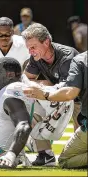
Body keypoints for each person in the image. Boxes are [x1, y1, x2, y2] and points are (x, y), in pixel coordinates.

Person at [21, 23, 79, 166]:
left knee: (75, 156)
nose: (30, 51)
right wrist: (39, 87)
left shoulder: (67, 56)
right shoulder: (36, 58)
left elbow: (69, 92)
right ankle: (45, 154)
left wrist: (43, 89)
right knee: (26, 99)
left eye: (33, 47)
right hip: (60, 95)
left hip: (80, 98)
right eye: (28, 48)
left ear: (46, 42)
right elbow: (25, 80)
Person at [23, 52, 87, 169]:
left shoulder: (79, 59)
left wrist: (46, 94)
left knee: (64, 160)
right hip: (69, 104)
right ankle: (45, 153)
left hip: (73, 105)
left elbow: (69, 93)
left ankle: (45, 153)